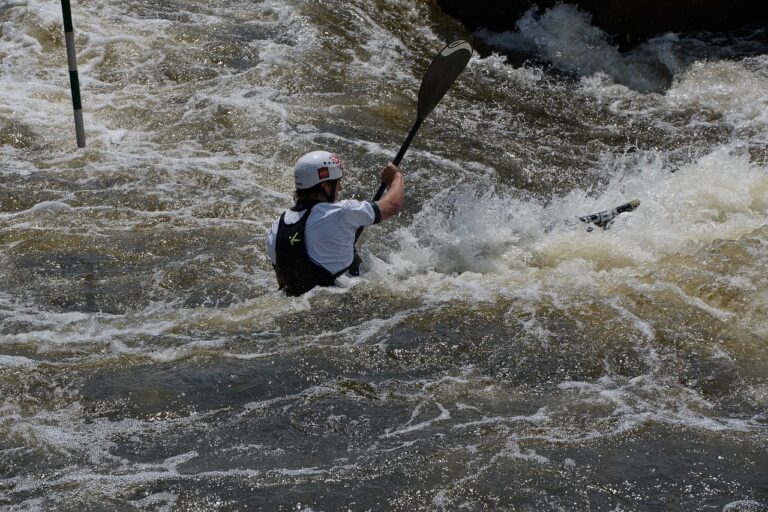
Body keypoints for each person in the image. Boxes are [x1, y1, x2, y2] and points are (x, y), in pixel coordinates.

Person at [266, 150, 404, 296]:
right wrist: (396, 177)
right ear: (325, 186)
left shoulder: (276, 227)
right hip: (344, 303)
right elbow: (392, 205)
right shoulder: (341, 212)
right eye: (337, 182)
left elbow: (283, 282)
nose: (340, 188)